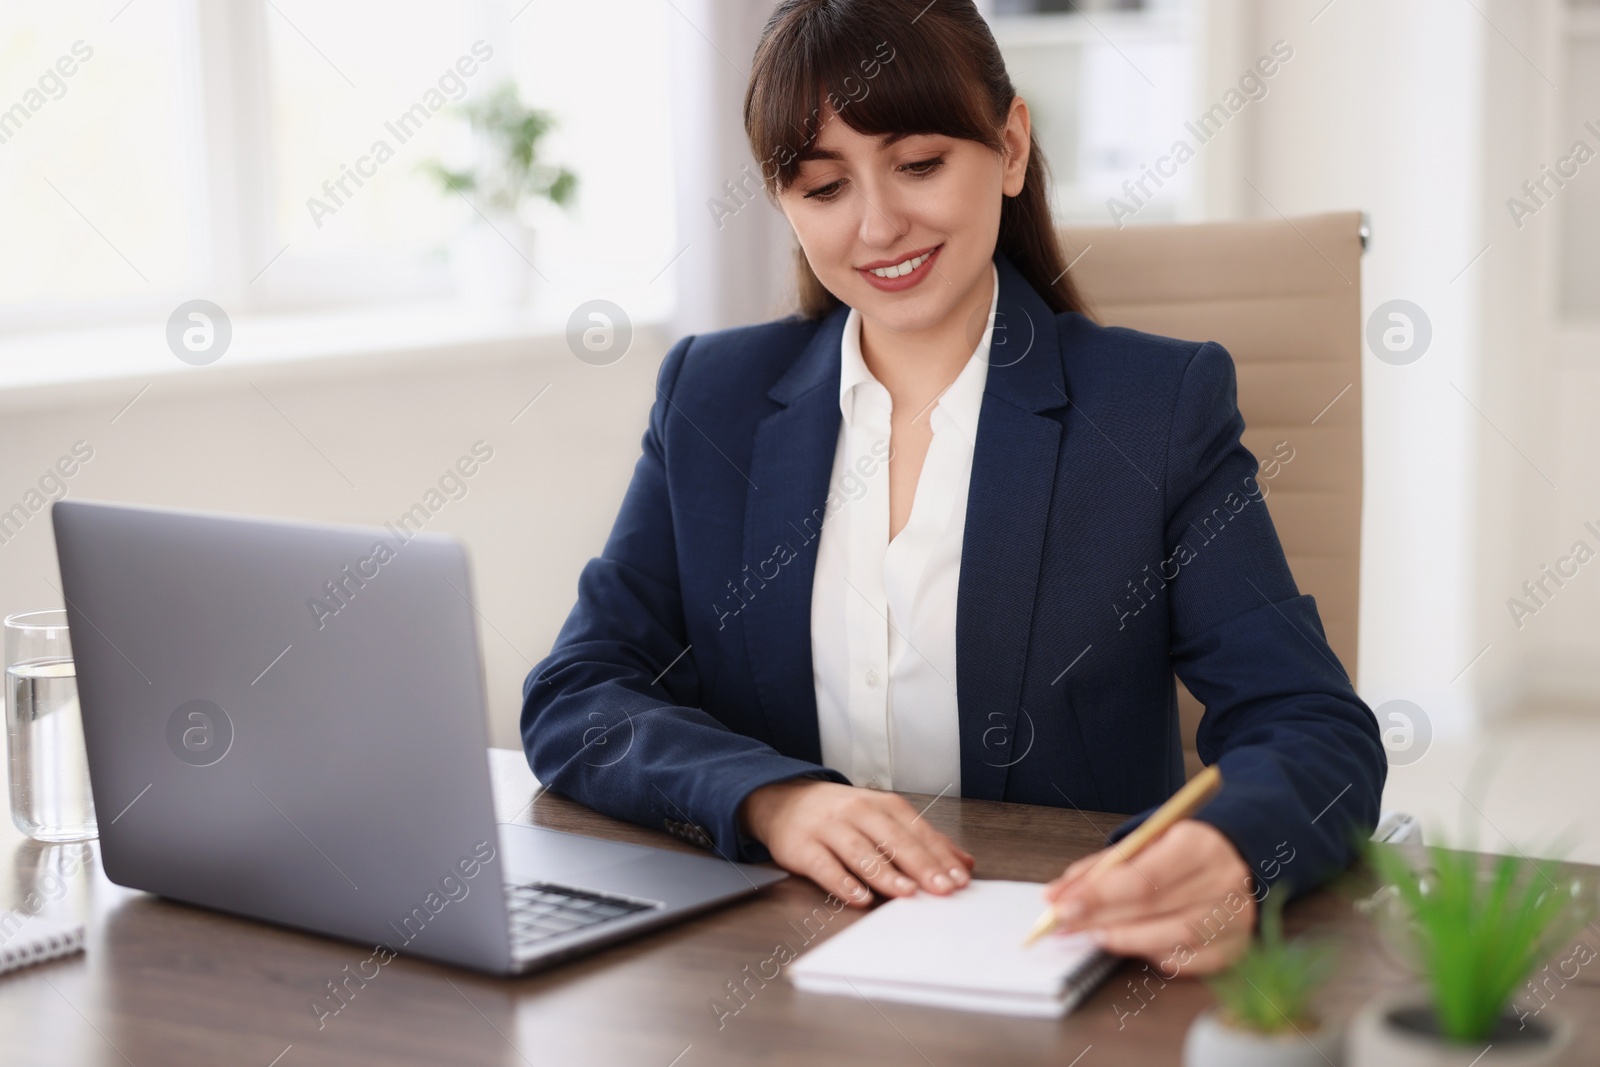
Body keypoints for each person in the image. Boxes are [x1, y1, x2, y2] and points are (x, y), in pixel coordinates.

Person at [521, 0, 1385, 975]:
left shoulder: (1153, 408)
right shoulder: (711, 398)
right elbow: (579, 690)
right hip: (776, 970)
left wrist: (1231, 847)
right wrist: (774, 798)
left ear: (1009, 145)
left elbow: (1314, 728)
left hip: (1060, 958)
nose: (878, 223)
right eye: (821, 185)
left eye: (919, 164)